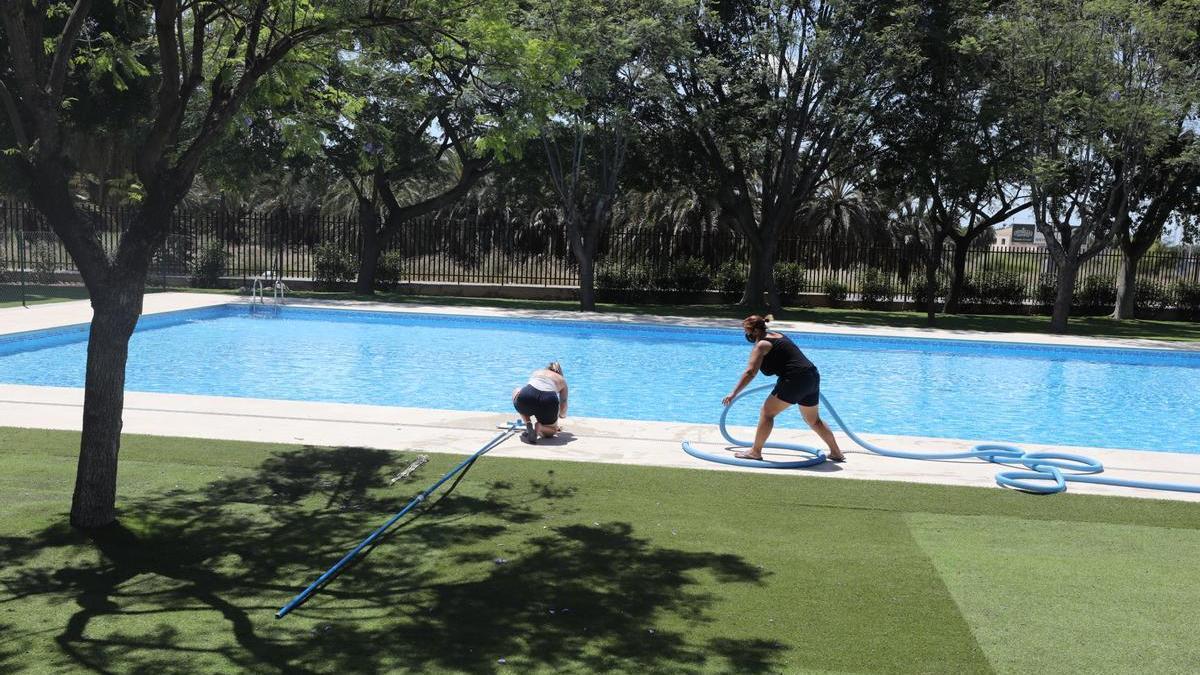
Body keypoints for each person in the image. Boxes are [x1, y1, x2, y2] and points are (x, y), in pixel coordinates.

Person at [722, 315, 845, 462]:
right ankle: (836, 452)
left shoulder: (762, 345)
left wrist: (733, 393)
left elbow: (750, 372)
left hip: (795, 379)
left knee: (767, 413)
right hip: (811, 376)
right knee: (813, 420)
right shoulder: (778, 335)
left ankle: (755, 452)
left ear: (754, 331)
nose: (746, 335)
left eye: (747, 331)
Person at [512, 362, 569, 444]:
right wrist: (560, 417)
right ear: (560, 372)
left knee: (517, 391)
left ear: (547, 368)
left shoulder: (537, 372)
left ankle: (528, 423)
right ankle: (540, 427)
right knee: (552, 430)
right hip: (548, 401)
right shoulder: (561, 380)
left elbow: (531, 391)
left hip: (527, 397)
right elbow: (563, 404)